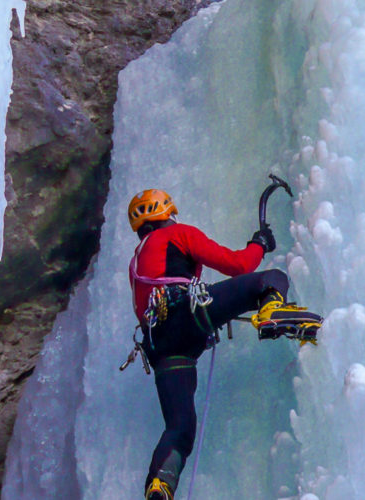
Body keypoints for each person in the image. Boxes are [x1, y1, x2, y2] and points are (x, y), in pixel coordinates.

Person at [126, 189, 322, 500]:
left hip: (163, 348)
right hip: (188, 318)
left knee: (179, 428)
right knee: (270, 279)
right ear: (166, 213)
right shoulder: (176, 234)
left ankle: (160, 485)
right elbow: (237, 265)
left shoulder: (135, 265)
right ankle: (271, 310)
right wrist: (259, 244)